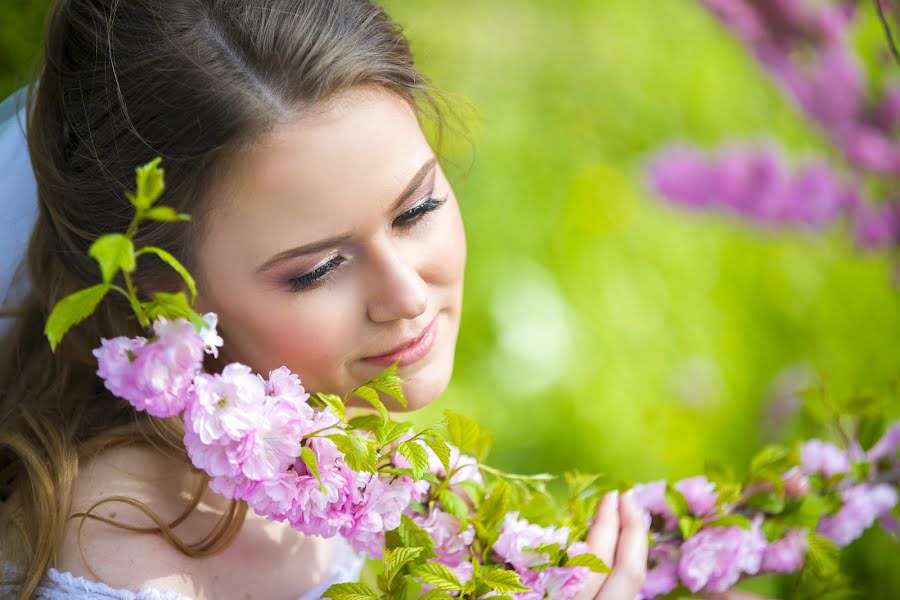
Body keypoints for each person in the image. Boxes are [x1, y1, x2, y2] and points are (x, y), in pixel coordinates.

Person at [0, 0, 650, 598]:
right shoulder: (116, 549)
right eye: (317, 271)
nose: (404, 294)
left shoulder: (324, 444)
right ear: (163, 287)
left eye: (417, 208)